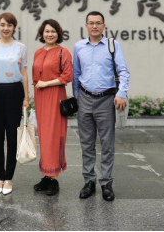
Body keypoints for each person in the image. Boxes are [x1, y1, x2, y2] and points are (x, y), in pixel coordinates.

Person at [73, 11, 130, 202]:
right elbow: (76, 74)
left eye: (98, 23)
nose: (94, 26)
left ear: (104, 26)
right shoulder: (79, 47)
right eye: (91, 23)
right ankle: (89, 181)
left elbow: (123, 71)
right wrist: (77, 97)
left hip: (106, 99)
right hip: (85, 98)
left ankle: (106, 183)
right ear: (86, 26)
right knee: (86, 143)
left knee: (106, 143)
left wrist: (121, 93)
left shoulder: (113, 45)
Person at [0, 13, 30, 196]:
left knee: (12, 136)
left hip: (15, 92)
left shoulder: (21, 48)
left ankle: (8, 177)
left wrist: (26, 98)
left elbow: (24, 73)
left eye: (9, 25)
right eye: (2, 25)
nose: (6, 28)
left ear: (14, 27)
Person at [32, 19, 73, 197]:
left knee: (54, 136)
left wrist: (46, 83)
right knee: (43, 136)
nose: (50, 34)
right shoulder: (38, 52)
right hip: (40, 98)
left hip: (55, 96)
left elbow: (67, 76)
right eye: (47, 31)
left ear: (58, 33)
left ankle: (54, 179)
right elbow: (35, 79)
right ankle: (47, 175)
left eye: (53, 31)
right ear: (42, 34)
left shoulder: (63, 52)